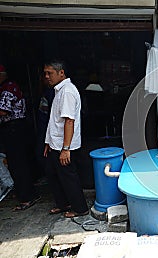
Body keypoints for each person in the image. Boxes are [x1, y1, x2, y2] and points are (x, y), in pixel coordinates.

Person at [43, 60, 89, 218]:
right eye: (45, 73)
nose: (47, 76)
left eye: (50, 73)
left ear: (61, 73)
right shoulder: (59, 90)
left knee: (68, 177)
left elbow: (69, 121)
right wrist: (48, 141)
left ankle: (80, 208)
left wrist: (66, 149)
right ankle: (64, 204)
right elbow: (56, 120)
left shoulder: (67, 91)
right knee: (52, 173)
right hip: (56, 143)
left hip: (65, 145)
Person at [0, 64, 41, 211]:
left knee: (18, 164)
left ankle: (27, 197)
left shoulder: (7, 88)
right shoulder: (8, 87)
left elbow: (3, 111)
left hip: (13, 128)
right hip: (16, 128)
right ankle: (27, 192)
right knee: (21, 162)